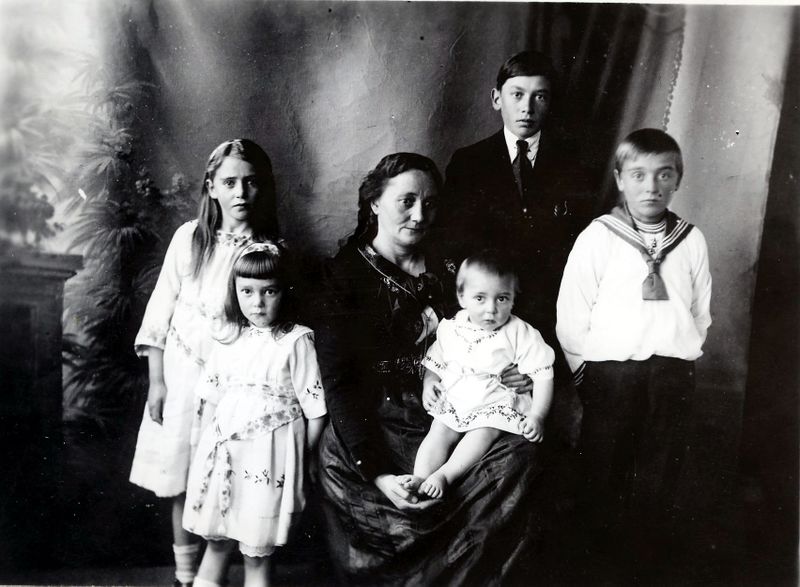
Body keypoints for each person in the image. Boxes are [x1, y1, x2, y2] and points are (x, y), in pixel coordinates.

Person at [314, 153, 544, 585]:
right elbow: (339, 383)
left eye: (430, 203)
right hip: (380, 418)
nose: (420, 216)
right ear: (374, 203)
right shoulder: (343, 277)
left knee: (522, 456)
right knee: (378, 486)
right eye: (406, 201)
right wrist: (379, 475)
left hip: (467, 407)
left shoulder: (453, 262)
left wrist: (519, 370)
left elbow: (506, 325)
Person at [556, 128, 712, 580]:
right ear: (620, 179)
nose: (652, 186)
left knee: (659, 475)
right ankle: (595, 569)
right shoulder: (599, 236)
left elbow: (701, 312)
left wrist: (679, 357)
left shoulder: (691, 240)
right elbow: (571, 313)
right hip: (611, 376)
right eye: (639, 175)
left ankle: (642, 569)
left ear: (678, 179)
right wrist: (584, 374)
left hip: (670, 375)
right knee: (603, 473)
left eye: (664, 174)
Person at [129, 139, 280, 586]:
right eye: (229, 183)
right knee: (181, 474)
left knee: (222, 475)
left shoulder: (267, 252)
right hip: (181, 373)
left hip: (233, 382)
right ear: (211, 187)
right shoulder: (189, 238)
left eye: (250, 183)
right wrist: (157, 380)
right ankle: (184, 574)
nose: (240, 193)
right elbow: (160, 309)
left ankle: (214, 573)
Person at [182, 242, 327, 587]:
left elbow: (316, 410)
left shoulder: (296, 341)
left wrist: (304, 457)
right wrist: (201, 450)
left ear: (285, 291)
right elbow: (211, 399)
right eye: (246, 291)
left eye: (269, 291)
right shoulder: (230, 338)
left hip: (269, 459)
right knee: (216, 543)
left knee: (255, 551)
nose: (257, 302)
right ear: (234, 292)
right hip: (225, 455)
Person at [441, 50, 592, 330]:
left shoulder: (574, 163)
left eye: (540, 96)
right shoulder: (468, 163)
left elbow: (583, 242)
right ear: (497, 98)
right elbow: (452, 242)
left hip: (555, 309)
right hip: (489, 310)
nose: (527, 108)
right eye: (517, 95)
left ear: (551, 101)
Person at [400, 250, 555, 499]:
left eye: (502, 298)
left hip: (493, 400)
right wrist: (429, 383)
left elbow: (543, 374)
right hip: (456, 395)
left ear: (513, 299)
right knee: (439, 430)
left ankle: (446, 474)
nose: (491, 309)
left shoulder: (519, 332)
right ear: (462, 298)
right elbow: (435, 361)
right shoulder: (452, 327)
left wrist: (537, 415)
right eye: (480, 298)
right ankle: (420, 476)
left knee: (482, 433)